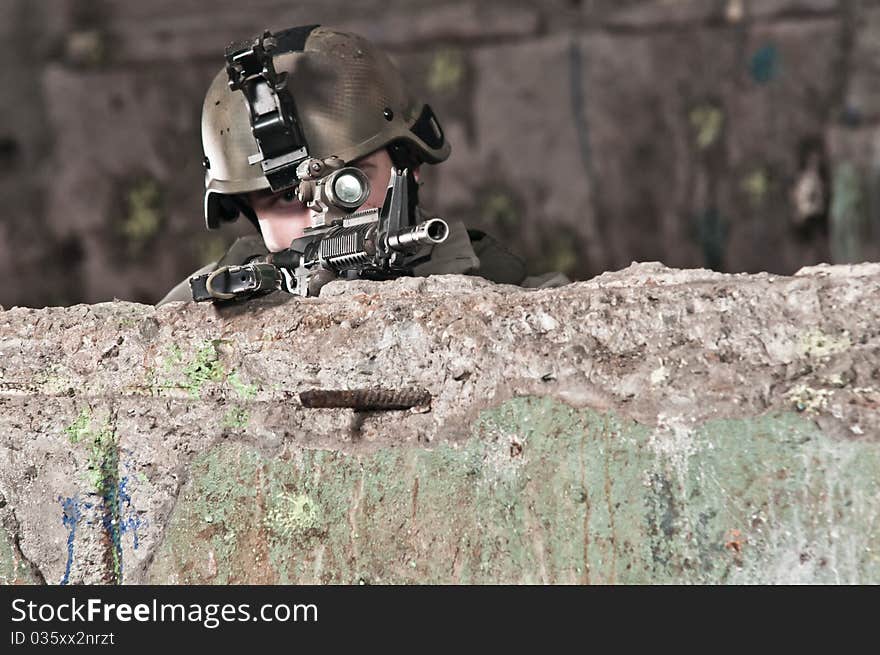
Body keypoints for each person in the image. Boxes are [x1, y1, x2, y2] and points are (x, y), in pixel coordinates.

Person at [158, 25, 566, 306]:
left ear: (409, 166)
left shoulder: (510, 298)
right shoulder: (204, 307)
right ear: (247, 209)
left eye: (346, 185)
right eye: (286, 198)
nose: (322, 218)